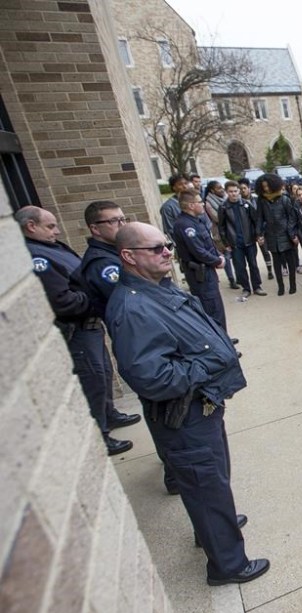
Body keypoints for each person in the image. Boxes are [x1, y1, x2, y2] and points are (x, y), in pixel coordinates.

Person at [105, 222, 270, 586]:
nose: (166, 252)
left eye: (166, 245)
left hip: (203, 405)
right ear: (129, 257)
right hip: (185, 415)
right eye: (155, 248)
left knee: (212, 482)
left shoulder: (157, 290)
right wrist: (208, 363)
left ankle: (213, 530)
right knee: (204, 482)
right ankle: (227, 565)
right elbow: (152, 377)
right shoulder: (132, 309)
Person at [18, 205, 138, 455]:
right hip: (77, 330)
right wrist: (93, 299)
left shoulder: (53, 248)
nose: (57, 230)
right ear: (31, 226)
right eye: (50, 226)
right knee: (92, 380)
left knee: (103, 374)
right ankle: (99, 437)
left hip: (90, 327)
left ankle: (109, 415)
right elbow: (61, 301)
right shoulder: (36, 256)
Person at [173, 191, 229, 331]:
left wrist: (218, 255)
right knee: (210, 307)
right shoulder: (185, 225)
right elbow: (198, 251)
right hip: (199, 273)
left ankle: (222, 335)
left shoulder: (197, 220)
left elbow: (208, 243)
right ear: (191, 205)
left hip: (207, 270)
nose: (203, 204)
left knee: (216, 305)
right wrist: (217, 261)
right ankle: (220, 342)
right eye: (200, 202)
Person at [218, 180, 266, 298]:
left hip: (249, 240)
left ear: (239, 191)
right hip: (235, 243)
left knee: (253, 264)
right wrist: (225, 242)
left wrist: (259, 235)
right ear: (226, 192)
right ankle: (246, 288)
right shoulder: (224, 207)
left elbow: (255, 221)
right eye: (230, 191)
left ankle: (257, 286)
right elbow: (222, 226)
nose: (233, 194)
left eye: (235, 191)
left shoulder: (246, 204)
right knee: (240, 267)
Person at [255, 173, 299, 296]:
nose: (266, 189)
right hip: (271, 234)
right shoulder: (262, 200)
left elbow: (291, 217)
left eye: (268, 186)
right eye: (264, 187)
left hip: (285, 233)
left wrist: (292, 233)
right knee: (276, 262)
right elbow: (259, 218)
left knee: (291, 262)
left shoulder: (284, 198)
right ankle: (281, 286)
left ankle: (293, 284)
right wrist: (259, 234)